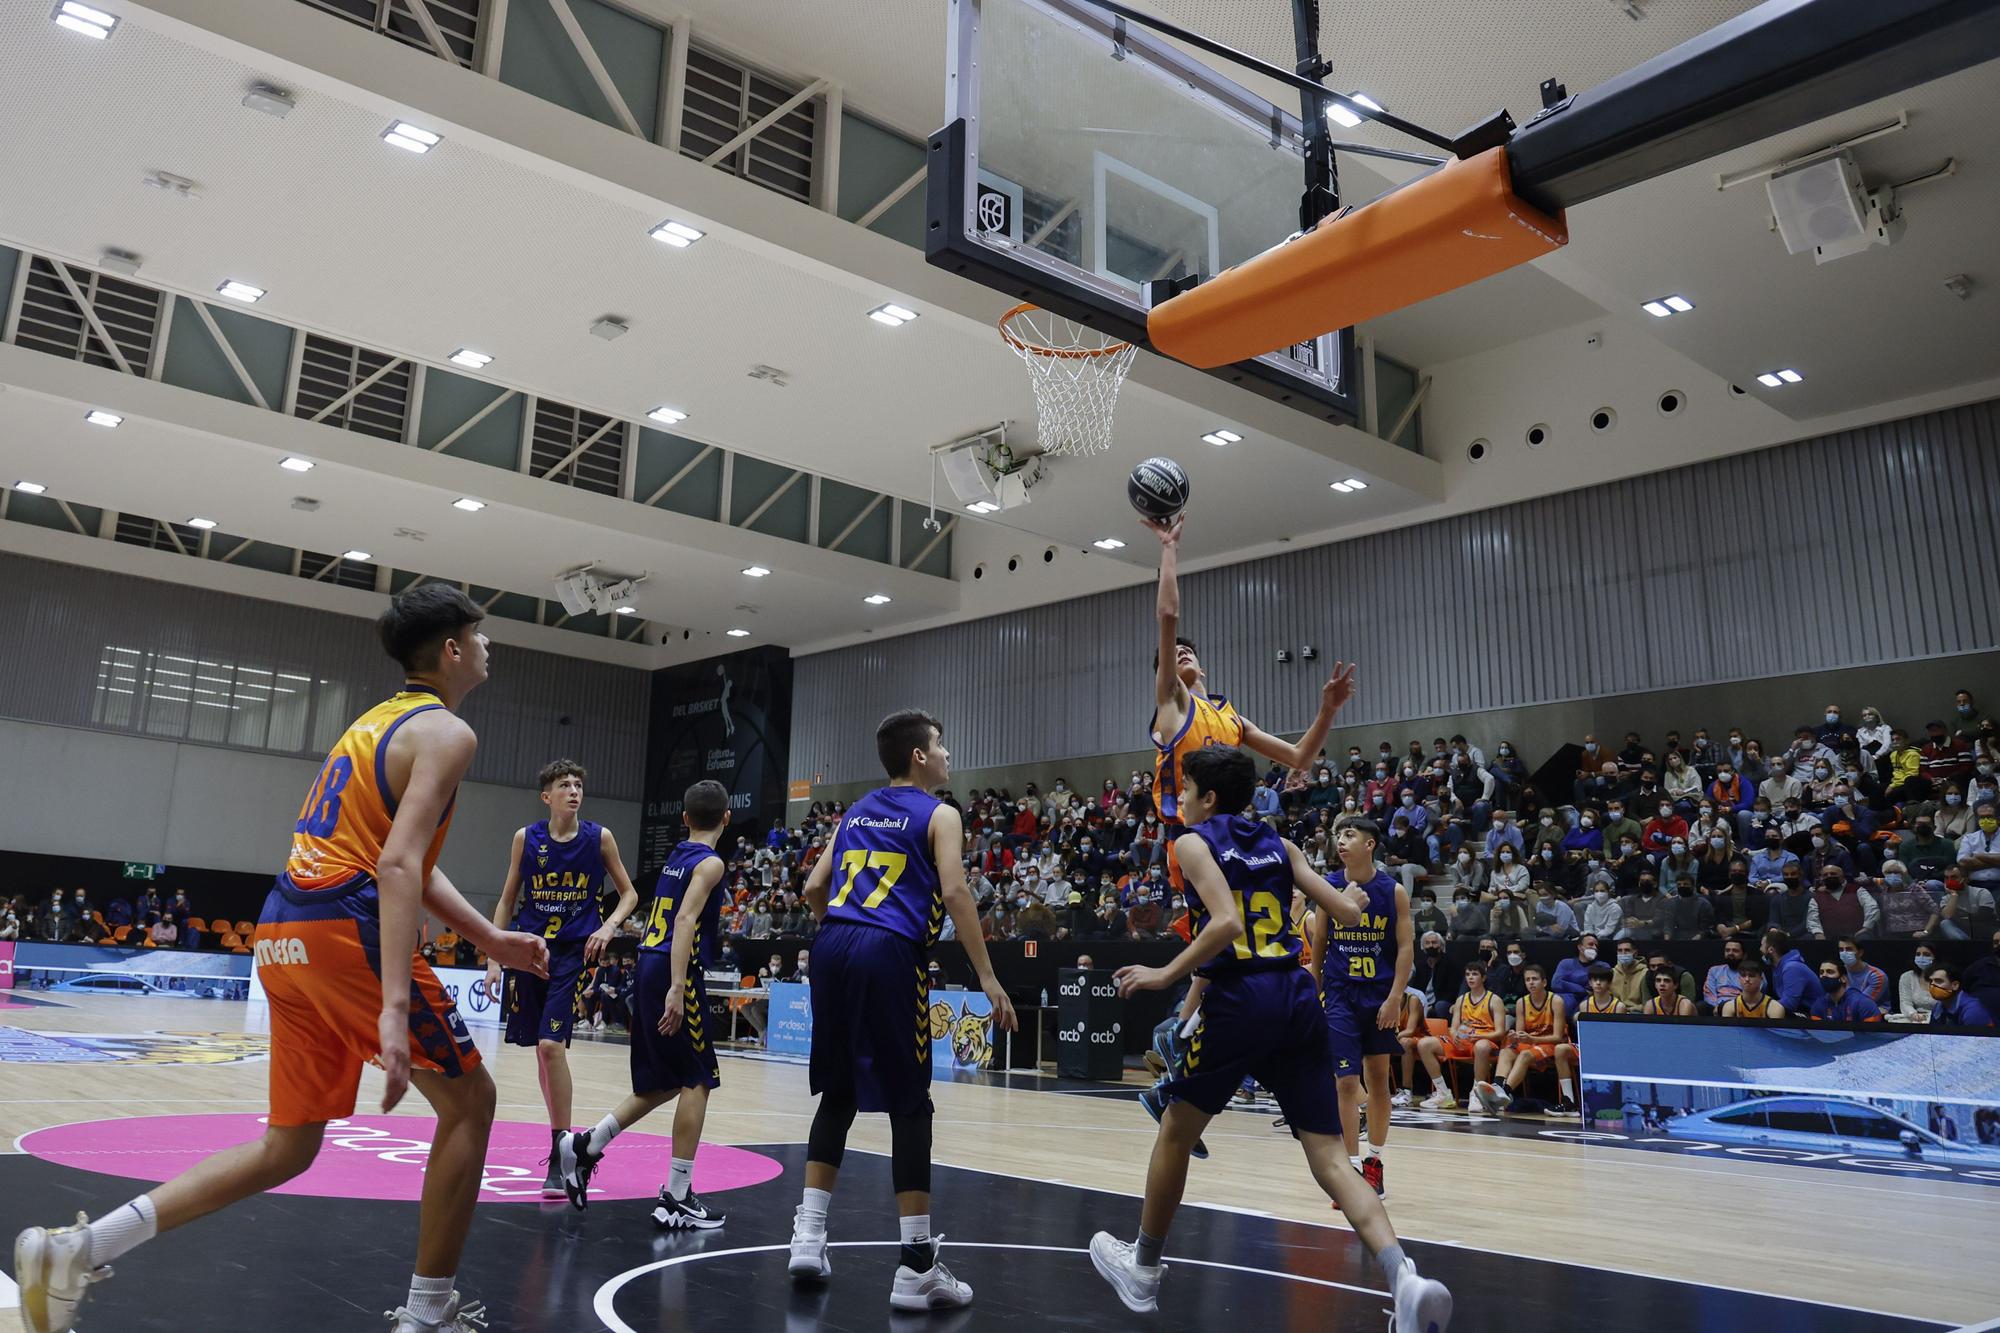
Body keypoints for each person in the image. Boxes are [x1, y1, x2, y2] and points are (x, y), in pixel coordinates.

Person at [12, 584, 549, 1333]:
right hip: (345, 929)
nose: (489, 646)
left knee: (289, 1145)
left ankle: (80, 1248)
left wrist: (489, 940)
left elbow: (405, 859)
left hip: (283, 927)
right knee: (471, 1102)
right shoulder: (447, 733)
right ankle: (428, 1315)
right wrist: (395, 1004)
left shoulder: (371, 725)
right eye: (481, 634)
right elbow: (396, 865)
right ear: (454, 649)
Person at [1088, 747, 1451, 1330]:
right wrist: (1354, 901)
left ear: (1208, 798)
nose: (1179, 802)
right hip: (1296, 997)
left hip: (1242, 998)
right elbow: (1347, 913)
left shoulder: (1192, 843)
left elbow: (1227, 922)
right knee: (1329, 1155)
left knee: (1176, 1132)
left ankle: (1143, 1268)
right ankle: (1404, 1278)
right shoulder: (1280, 844)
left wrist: (1164, 973)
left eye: (1185, 791)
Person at [1139, 512, 1356, 1151]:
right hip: (1193, 841)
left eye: (1189, 652)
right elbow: (1168, 617)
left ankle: (1178, 1055)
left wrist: (1325, 711)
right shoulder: (1173, 707)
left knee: (1241, 950)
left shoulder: (1230, 717)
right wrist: (1170, 551)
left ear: (1203, 665)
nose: (1182, 652)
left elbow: (1300, 758)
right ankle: (1178, 1046)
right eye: (1173, 655)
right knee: (1225, 943)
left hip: (1238, 835)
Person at [788, 710, 1017, 1310]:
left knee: (838, 1094)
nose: (946, 753)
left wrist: (845, 933)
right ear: (919, 756)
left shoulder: (855, 811)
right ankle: (916, 1265)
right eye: (940, 744)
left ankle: (808, 1237)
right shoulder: (941, 814)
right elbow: (956, 892)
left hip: (832, 944)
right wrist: (987, 977)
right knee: (910, 1104)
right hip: (889, 951)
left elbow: (812, 889)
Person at [560, 780, 732, 1228]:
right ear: (727, 818)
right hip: (675, 970)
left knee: (664, 1081)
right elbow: (686, 919)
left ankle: (588, 1144)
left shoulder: (677, 856)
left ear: (685, 819)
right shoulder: (711, 863)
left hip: (649, 962)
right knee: (699, 1079)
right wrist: (678, 986)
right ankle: (678, 1195)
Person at [481, 758, 641, 1196]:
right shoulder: (526, 838)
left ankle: (560, 1151)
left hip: (572, 954)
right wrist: (495, 957)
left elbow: (629, 894)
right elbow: (507, 900)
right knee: (542, 1052)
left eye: (577, 785)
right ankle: (561, 1143)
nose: (574, 791)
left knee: (552, 1046)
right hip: (530, 953)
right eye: (564, 785)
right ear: (546, 796)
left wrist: (608, 927)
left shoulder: (599, 837)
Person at [1306, 815, 1412, 1202]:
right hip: (1339, 994)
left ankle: (1374, 1163)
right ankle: (1348, 1170)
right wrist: (1313, 991)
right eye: (1338, 834)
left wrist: (1395, 998)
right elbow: (1320, 942)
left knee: (1379, 1079)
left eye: (1349, 834)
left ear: (1369, 844)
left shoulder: (1393, 891)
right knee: (1346, 1083)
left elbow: (1405, 948)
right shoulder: (1329, 886)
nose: (1341, 840)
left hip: (1378, 995)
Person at [1474, 962, 1575, 1115]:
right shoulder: (1522, 1002)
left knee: (1525, 1054)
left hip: (1552, 1044)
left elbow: (1557, 1037)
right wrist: (1515, 1036)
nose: (1531, 983)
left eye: (1534, 979)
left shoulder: (1556, 1001)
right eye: (1527, 980)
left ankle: (1504, 1093)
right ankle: (1498, 1087)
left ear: (1544, 982)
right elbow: (1521, 1034)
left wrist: (1531, 1039)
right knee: (1506, 1051)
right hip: (1532, 1042)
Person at [1415, 960, 1505, 1110]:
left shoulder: (1494, 1000)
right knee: (1424, 1044)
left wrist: (1480, 1037)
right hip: (1463, 1041)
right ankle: (1443, 1093)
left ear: (1483, 978)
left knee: (1481, 1046)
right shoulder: (1461, 999)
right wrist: (1455, 1035)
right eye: (1468, 974)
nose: (1470, 977)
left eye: (1474, 974)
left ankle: (1477, 1094)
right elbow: (1454, 1027)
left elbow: (1500, 1032)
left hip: (1484, 1041)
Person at [1761, 928, 1819, 1016]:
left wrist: (1760, 1006)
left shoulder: (1792, 968)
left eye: (1762, 945)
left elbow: (1789, 1004)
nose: (1760, 949)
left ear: (1771, 950)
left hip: (1812, 1015)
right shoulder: (1778, 966)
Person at [1925, 961, 1996, 1028]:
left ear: (1955, 985)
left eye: (1938, 981)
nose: (1932, 985)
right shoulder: (1938, 1006)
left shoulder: (1973, 1010)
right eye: (1931, 981)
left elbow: (1975, 1037)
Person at [1810, 960, 1882, 1022]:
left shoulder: (1863, 1003)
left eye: (1830, 972)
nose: (1824, 975)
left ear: (1843, 978)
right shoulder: (1818, 1004)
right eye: (1821, 972)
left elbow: (1873, 1032)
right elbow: (1816, 1031)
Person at [1718, 959, 1785, 1019]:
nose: (1747, 979)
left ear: (1761, 979)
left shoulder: (1775, 1008)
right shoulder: (1729, 1007)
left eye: (1752, 975)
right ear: (1739, 979)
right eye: (1743, 975)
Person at [1550, 934, 1601, 1012]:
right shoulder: (1565, 963)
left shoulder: (1602, 966)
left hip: (1589, 1004)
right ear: (1580, 947)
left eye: (1596, 946)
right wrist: (1583, 990)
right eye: (1591, 944)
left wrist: (1567, 983)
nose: (1594, 948)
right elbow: (1556, 983)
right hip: (1564, 1003)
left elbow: (1595, 989)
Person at [1702, 938, 1749, 1012]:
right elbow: (1709, 993)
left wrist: (1728, 1007)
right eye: (1727, 950)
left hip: (1740, 1007)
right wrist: (1717, 1007)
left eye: (1735, 951)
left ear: (1744, 955)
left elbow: (1753, 995)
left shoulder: (1752, 973)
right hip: (1716, 1007)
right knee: (1701, 1006)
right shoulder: (1714, 970)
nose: (1730, 953)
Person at [1898, 945, 1940, 1019]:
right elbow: (1905, 1002)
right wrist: (1913, 1014)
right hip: (1916, 1018)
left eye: (1926, 954)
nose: (1921, 957)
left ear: (1935, 957)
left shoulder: (1943, 976)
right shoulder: (1907, 976)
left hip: (1939, 1018)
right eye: (1918, 954)